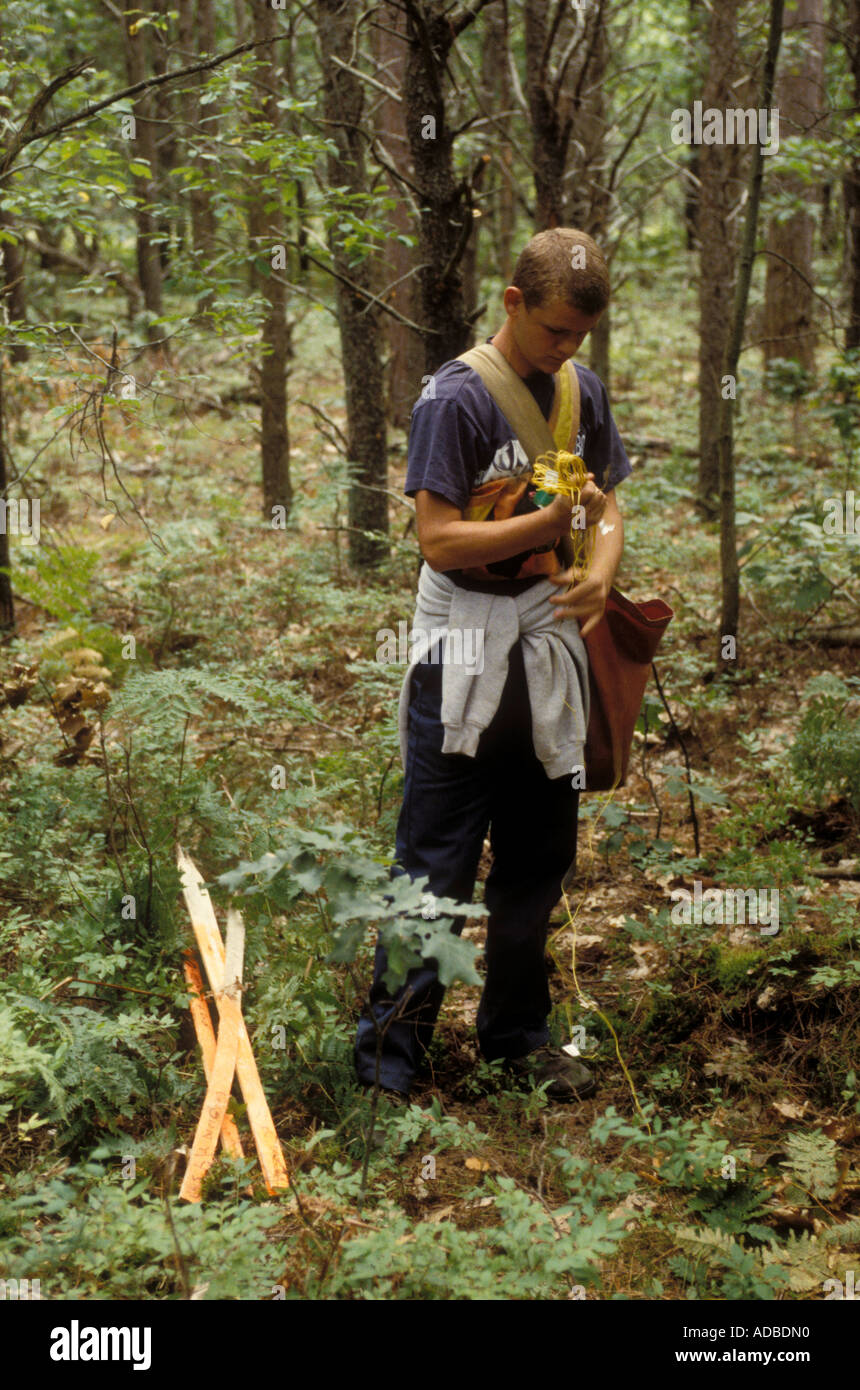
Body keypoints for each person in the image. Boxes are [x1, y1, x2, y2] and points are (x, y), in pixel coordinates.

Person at [354, 228, 631, 1102]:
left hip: (546, 642)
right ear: (513, 303)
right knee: (435, 859)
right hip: (464, 641)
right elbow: (438, 539)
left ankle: (516, 1042)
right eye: (553, 331)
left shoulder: (580, 392)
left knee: (537, 857)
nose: (565, 349)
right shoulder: (456, 398)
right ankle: (389, 1062)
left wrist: (600, 572)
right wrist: (545, 529)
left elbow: (610, 497)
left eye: (579, 336)